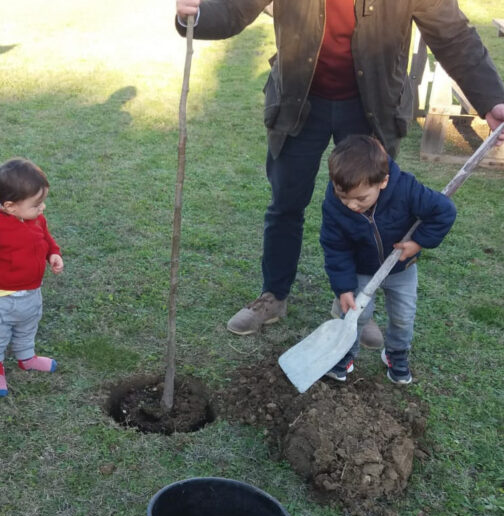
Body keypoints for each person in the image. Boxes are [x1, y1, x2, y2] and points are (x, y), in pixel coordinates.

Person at [174, 0, 504, 347]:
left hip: (372, 106)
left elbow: (453, 34)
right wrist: (196, 14)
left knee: (370, 210)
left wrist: (492, 98)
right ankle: (273, 296)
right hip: (298, 101)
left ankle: (358, 304)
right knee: (285, 204)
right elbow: (236, 8)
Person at [320, 135, 456, 384]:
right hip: (362, 268)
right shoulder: (334, 205)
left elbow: (444, 211)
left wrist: (418, 243)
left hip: (400, 267)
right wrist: (344, 288)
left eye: (360, 199)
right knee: (356, 313)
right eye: (343, 196)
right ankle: (345, 354)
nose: (351, 205)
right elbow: (335, 248)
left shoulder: (406, 189)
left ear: (383, 182)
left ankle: (396, 353)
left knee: (403, 315)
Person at [0, 158, 64, 397]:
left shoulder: (35, 218)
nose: (43, 208)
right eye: (37, 204)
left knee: (27, 328)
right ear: (10, 206)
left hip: (31, 293)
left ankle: (26, 358)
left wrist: (53, 253)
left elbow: (45, 237)